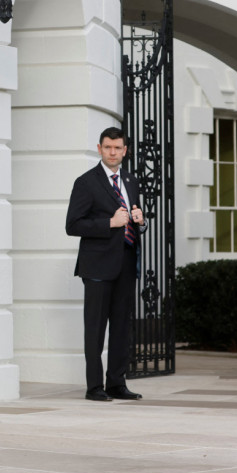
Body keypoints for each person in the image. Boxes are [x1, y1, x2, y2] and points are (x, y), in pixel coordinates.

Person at [65, 127, 146, 402]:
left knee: (122, 326)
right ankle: (94, 387)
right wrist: (108, 223)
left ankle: (116, 383)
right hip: (97, 266)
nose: (113, 152)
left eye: (118, 148)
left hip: (126, 260)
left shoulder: (131, 181)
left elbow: (131, 217)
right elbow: (72, 225)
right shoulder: (86, 182)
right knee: (96, 327)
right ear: (99, 148)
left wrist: (140, 221)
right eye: (108, 147)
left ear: (125, 150)